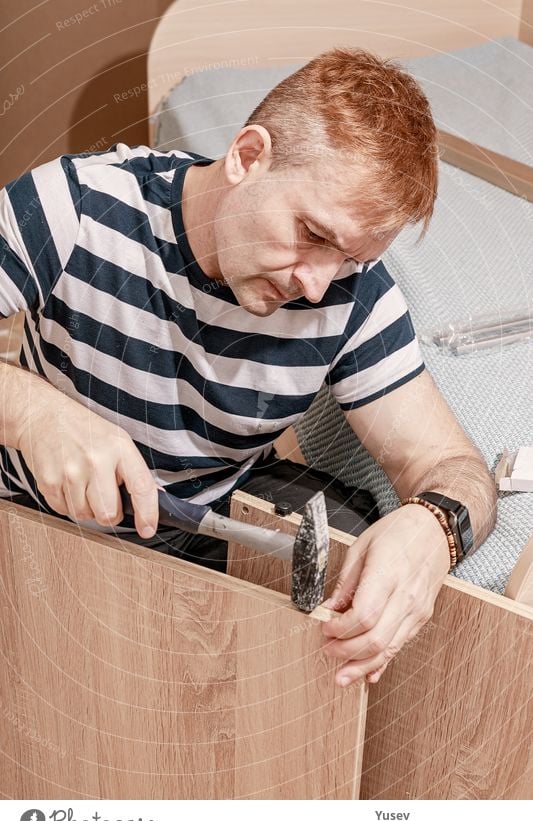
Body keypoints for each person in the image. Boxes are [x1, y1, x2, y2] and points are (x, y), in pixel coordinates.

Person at [0, 48, 496, 687]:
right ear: (246, 156)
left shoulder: (355, 297)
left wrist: (436, 529)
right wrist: (32, 412)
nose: (317, 286)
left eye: (348, 259)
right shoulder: (74, 207)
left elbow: (455, 468)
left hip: (210, 524)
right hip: (32, 521)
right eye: (312, 234)